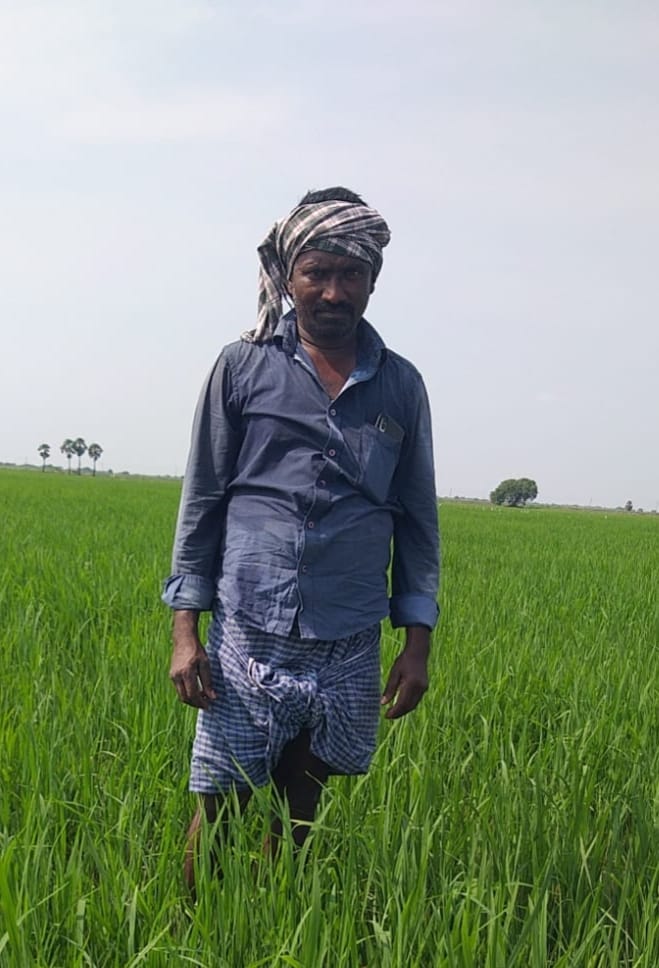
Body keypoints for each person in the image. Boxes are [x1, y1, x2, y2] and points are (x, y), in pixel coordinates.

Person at [164, 186, 440, 892]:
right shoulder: (243, 366)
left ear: (372, 282)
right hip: (247, 629)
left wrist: (416, 646)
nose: (332, 290)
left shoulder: (400, 387)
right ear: (288, 278)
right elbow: (202, 501)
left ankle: (270, 918)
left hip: (347, 635)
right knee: (219, 800)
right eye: (316, 271)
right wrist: (184, 632)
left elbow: (415, 520)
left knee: (301, 805)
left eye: (350, 274)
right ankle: (191, 927)